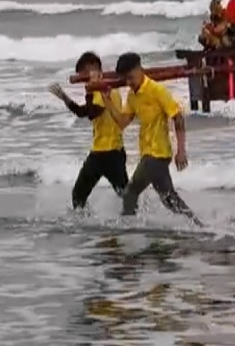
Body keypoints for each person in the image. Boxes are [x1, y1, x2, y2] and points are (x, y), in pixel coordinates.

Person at [99, 52, 201, 225]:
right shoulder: (132, 96)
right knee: (168, 197)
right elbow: (123, 122)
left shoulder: (157, 90)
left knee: (131, 192)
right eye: (126, 80)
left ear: (140, 70)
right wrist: (107, 102)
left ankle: (127, 226)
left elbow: (178, 117)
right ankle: (195, 224)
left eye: (131, 77)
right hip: (148, 153)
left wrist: (181, 151)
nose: (129, 83)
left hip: (158, 153)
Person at [48, 52, 129, 210]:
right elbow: (82, 112)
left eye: (84, 73)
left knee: (125, 194)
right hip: (98, 153)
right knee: (78, 195)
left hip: (113, 152)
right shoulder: (97, 90)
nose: (82, 78)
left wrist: (90, 91)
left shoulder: (106, 89)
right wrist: (65, 98)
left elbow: (92, 113)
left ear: (93, 68)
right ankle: (85, 227)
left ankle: (138, 221)